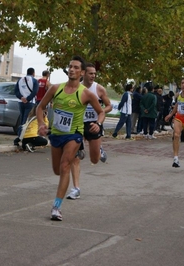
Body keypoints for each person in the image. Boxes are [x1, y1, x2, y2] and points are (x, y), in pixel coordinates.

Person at [36, 55, 105, 221]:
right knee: (56, 170)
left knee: (65, 165)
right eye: (70, 67)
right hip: (57, 134)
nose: (72, 69)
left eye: (75, 67)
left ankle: (56, 207)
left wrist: (98, 123)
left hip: (74, 135)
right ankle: (75, 157)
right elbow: (40, 107)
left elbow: (101, 111)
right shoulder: (56, 89)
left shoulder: (86, 94)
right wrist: (40, 124)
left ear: (81, 73)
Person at [66, 63, 112, 200]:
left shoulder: (99, 89)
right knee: (75, 158)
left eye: (94, 74)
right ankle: (76, 189)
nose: (93, 76)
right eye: (90, 73)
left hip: (94, 125)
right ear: (83, 73)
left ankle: (99, 150)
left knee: (94, 159)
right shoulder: (76, 88)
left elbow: (109, 105)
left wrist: (100, 112)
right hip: (78, 125)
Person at [13, 68, 38, 146]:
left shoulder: (20, 80)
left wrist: (21, 98)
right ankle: (22, 138)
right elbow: (35, 91)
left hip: (21, 102)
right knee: (26, 121)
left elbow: (16, 91)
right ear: (33, 73)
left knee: (22, 120)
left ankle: (20, 136)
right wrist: (28, 99)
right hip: (30, 103)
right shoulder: (34, 80)